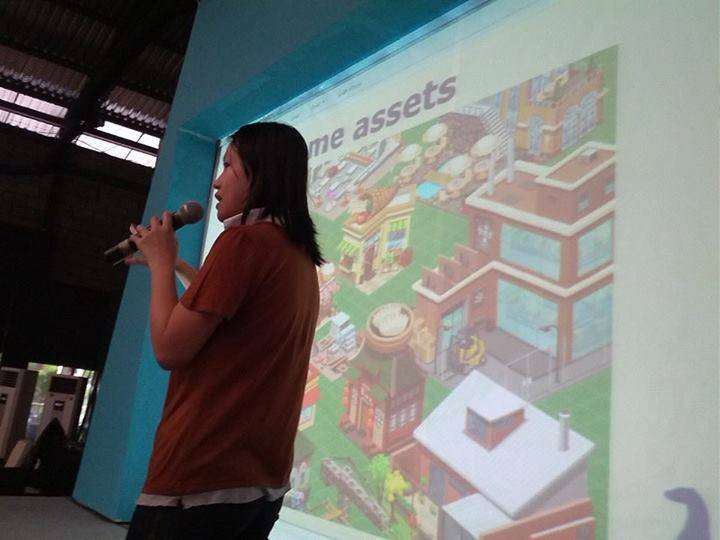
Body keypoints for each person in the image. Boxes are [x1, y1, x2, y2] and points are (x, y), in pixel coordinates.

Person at [124, 122, 323, 539]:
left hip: (199, 481)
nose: (216, 181)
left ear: (260, 173)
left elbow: (169, 348)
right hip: (258, 488)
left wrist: (161, 265)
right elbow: (229, 305)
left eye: (229, 165)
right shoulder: (297, 256)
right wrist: (177, 266)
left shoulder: (242, 242)